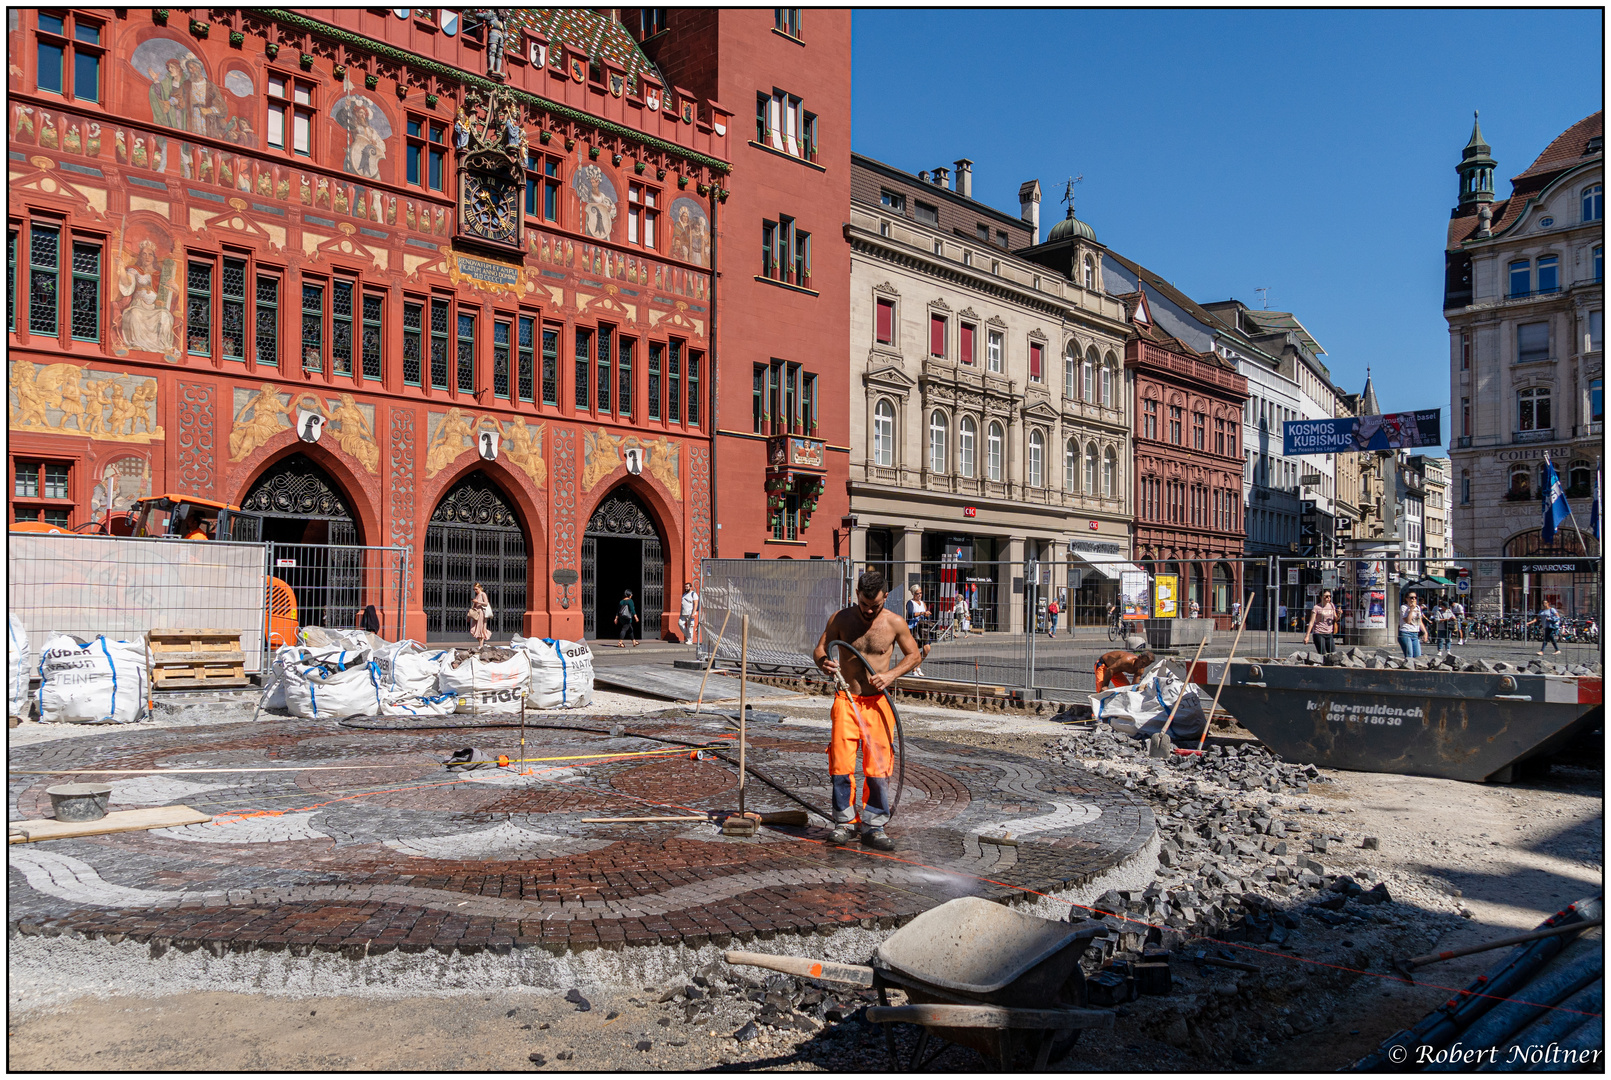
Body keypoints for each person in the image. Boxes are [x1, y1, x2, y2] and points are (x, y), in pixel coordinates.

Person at [812, 569, 927, 852]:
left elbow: (914, 655)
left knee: (878, 766)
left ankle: (873, 825)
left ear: (885, 597)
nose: (868, 610)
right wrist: (824, 662)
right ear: (857, 596)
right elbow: (819, 649)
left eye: (874, 605)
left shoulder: (894, 623)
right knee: (840, 763)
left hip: (877, 703)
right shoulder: (841, 619)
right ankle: (844, 822)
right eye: (864, 604)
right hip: (846, 700)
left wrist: (891, 675)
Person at [1304, 589, 1339, 655]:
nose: (1328, 598)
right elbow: (1311, 622)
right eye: (1326, 596)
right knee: (1323, 654)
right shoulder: (1316, 607)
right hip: (1319, 632)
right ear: (1321, 597)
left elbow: (1335, 619)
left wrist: (1339, 614)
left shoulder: (1331, 605)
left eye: (1330, 596)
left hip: (1329, 633)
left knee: (1333, 654)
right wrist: (1307, 636)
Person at [1398, 593, 1427, 659]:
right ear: (1407, 599)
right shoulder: (1404, 607)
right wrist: (1411, 609)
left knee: (1418, 656)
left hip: (1415, 633)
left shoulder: (1418, 608)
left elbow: (1419, 621)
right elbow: (1408, 621)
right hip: (1406, 633)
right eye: (1411, 597)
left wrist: (1425, 632)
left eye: (1415, 597)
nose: (1413, 599)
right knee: (1409, 655)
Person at [467, 582, 492, 646]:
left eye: (476, 589)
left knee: (481, 628)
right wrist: (469, 616)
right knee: (473, 629)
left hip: (481, 613)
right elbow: (474, 606)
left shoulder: (483, 594)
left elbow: (486, 603)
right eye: (474, 589)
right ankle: (482, 644)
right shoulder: (477, 595)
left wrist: (477, 601)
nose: (475, 591)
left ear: (480, 588)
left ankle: (481, 646)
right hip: (476, 613)